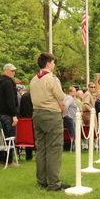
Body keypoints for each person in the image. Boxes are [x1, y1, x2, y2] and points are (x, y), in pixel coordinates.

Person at [30, 52, 69, 191]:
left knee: (41, 148)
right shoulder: (52, 79)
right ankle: (53, 183)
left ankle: (41, 180)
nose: (54, 64)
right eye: (53, 62)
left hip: (37, 114)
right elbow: (61, 100)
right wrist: (62, 111)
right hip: (51, 114)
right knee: (54, 148)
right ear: (48, 63)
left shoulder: (34, 79)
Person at [0, 63, 19, 164]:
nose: (14, 73)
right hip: (7, 115)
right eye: (12, 71)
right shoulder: (8, 83)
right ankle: (9, 160)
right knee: (9, 137)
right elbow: (10, 100)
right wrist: (14, 115)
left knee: (0, 137)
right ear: (6, 71)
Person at [18, 89, 34, 160]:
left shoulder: (24, 96)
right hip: (33, 118)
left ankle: (28, 155)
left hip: (24, 119)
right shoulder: (36, 95)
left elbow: (21, 108)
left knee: (27, 137)